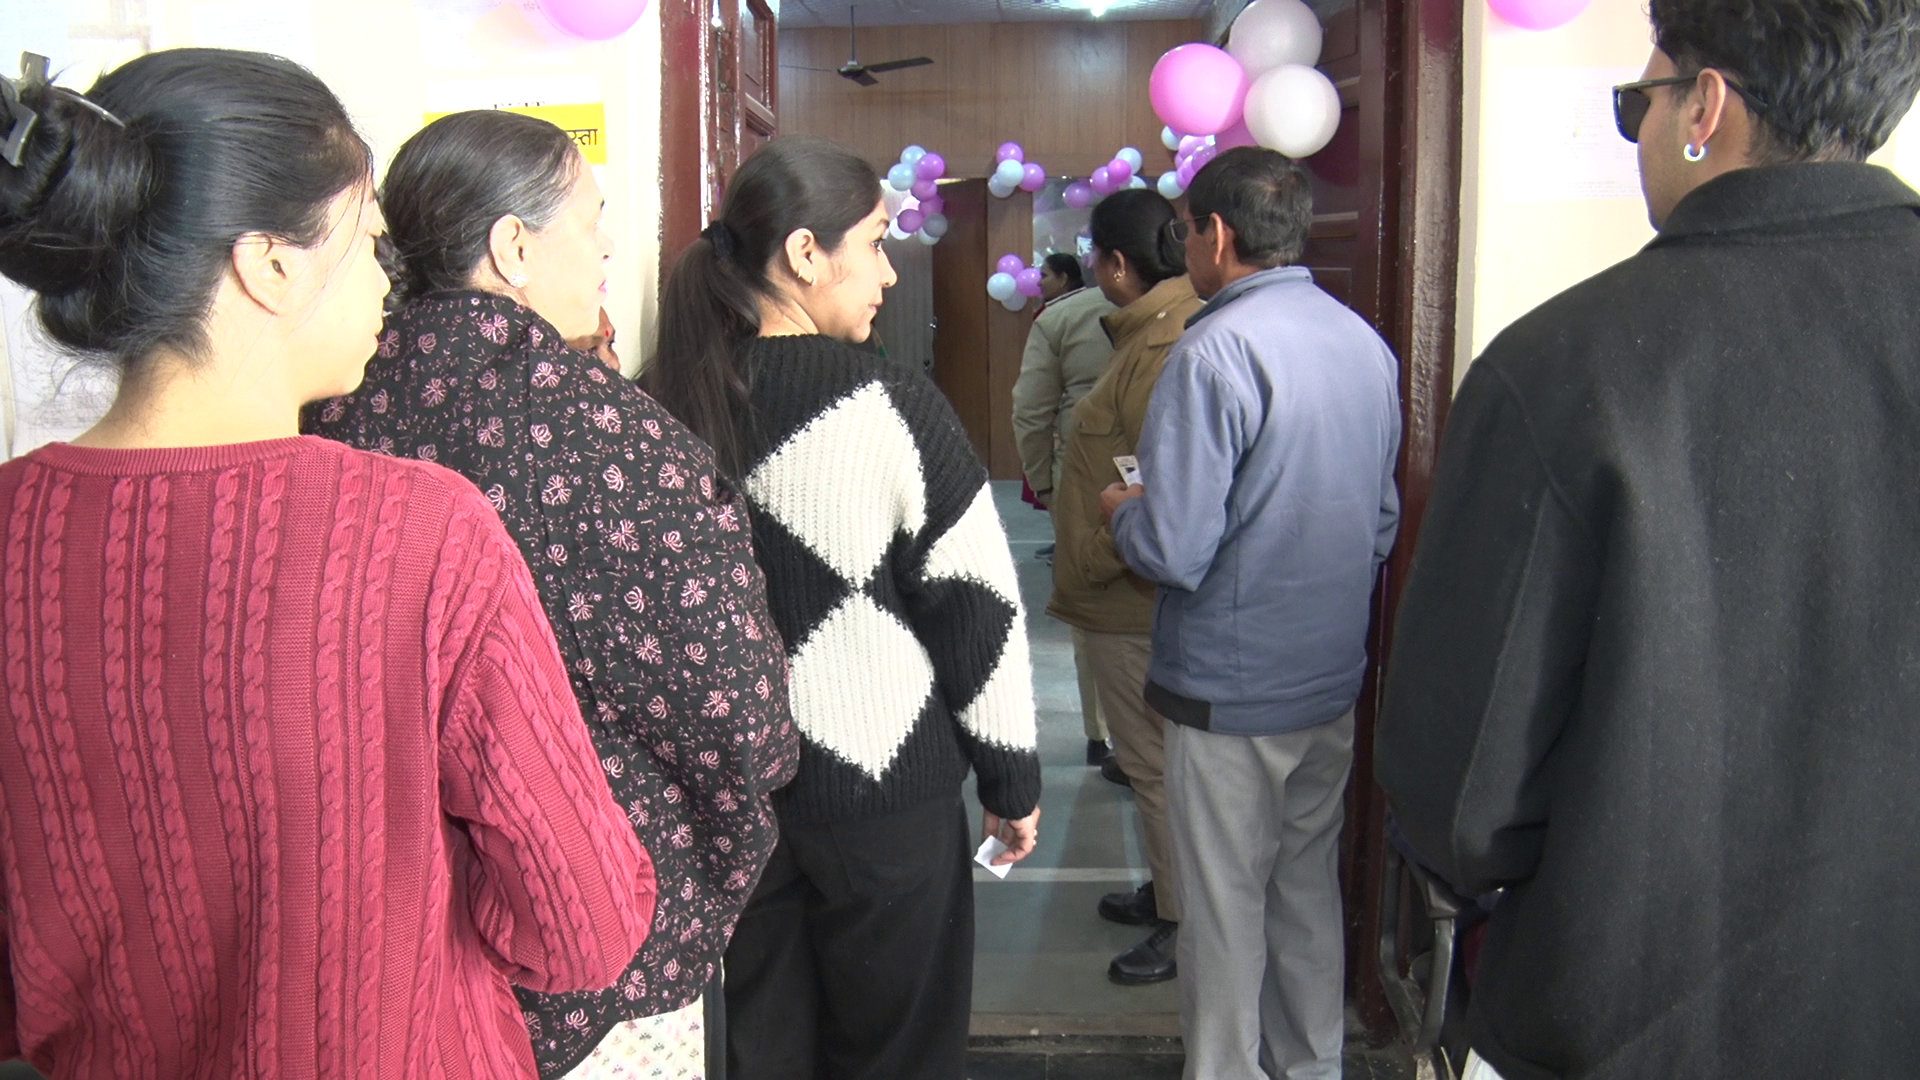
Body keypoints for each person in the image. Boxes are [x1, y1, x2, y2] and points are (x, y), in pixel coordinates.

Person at [0, 49, 653, 1079]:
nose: (387, 281)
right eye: (363, 243)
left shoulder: (12, 530)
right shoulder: (418, 532)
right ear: (270, 264)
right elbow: (583, 923)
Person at [1377, 2, 1920, 1078]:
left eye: (1640, 103)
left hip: (1631, 1007)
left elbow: (1460, 795)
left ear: (1703, 108)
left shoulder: (1566, 367)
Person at [303, 110, 797, 1079]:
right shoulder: (615, 435)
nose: (609, 243)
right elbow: (736, 712)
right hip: (600, 938)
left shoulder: (325, 413)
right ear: (513, 246)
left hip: (375, 932)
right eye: (592, 217)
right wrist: (708, 866)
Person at [641, 134, 1042, 1080]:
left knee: (763, 1048)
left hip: (728, 801)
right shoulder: (893, 405)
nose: (889, 274)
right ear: (805, 256)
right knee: (898, 1052)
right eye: (874, 242)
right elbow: (978, 608)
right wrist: (1010, 783)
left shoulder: (654, 408)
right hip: (883, 791)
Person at [1102, 147, 1401, 1080]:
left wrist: (1125, 516)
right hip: (1328, 681)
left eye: (1187, 230)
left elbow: (1176, 549)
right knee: (1305, 890)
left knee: (1224, 907)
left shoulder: (1214, 351)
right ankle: (1311, 1067)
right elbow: (1382, 523)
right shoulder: (1362, 341)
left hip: (1230, 693)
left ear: (1217, 235)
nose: (1185, 245)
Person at [1048, 188, 1204, 986]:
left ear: (1114, 265)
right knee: (1155, 766)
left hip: (1132, 595)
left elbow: (1163, 488)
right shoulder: (1151, 336)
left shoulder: (1162, 350)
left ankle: (1182, 922)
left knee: (1151, 765)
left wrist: (1104, 551)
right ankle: (1168, 892)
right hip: (1124, 586)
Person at [1012, 251, 1116, 766]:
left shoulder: (1060, 318)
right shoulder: (1195, 312)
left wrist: (1046, 486)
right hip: (1173, 481)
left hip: (1083, 480)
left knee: (1091, 606)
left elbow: (1030, 412)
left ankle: (1101, 733)